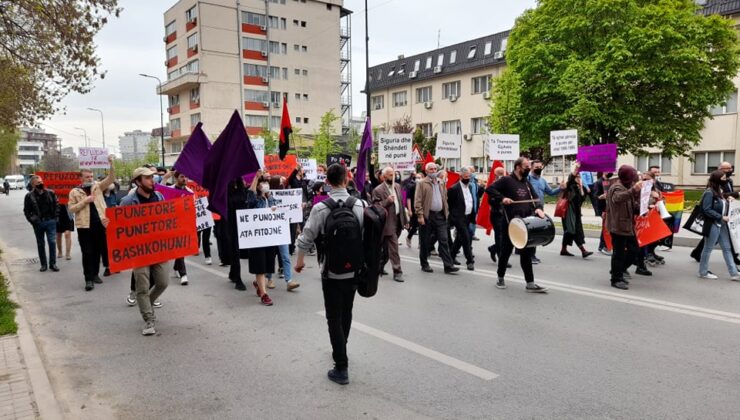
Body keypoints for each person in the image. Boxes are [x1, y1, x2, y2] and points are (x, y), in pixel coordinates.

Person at [295, 163, 366, 385]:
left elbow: (306, 237)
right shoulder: (361, 205)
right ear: (346, 180)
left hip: (330, 271)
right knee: (347, 311)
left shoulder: (320, 208)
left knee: (333, 316)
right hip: (354, 270)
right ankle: (341, 345)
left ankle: (341, 366)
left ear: (327, 182)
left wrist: (299, 262)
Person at [486, 157, 548, 292]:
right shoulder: (507, 180)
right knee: (505, 251)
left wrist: (538, 208)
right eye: (526, 166)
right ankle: (500, 277)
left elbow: (535, 198)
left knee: (526, 252)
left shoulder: (526, 182)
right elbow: (490, 189)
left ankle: (530, 283)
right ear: (518, 167)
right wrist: (503, 198)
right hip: (510, 223)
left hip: (525, 223)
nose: (529, 169)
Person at [120, 167, 169, 335]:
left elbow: (168, 218)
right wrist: (108, 223)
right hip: (139, 250)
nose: (152, 181)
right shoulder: (128, 201)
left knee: (162, 282)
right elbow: (120, 226)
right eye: (147, 178)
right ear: (138, 182)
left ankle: (145, 303)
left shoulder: (160, 197)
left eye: (152, 177)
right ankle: (149, 320)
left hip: (159, 247)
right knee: (142, 286)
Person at [68, 156, 115, 291]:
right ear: (81, 178)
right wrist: (85, 201)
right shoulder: (75, 192)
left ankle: (95, 274)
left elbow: (111, 179)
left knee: (97, 252)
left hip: (100, 224)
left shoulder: (97, 187)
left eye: (91, 176)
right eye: (87, 177)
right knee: (87, 253)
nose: (90, 178)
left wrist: (111, 164)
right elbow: (71, 209)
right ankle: (88, 279)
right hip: (84, 227)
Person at [690, 161, 740, 263]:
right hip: (717, 213)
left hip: (727, 210)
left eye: (731, 168)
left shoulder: (729, 180)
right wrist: (736, 194)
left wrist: (731, 197)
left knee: (715, 236)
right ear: (720, 170)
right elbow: (718, 196)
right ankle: (734, 258)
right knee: (722, 235)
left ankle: (696, 252)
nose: (730, 170)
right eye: (728, 169)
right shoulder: (714, 183)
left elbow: (726, 194)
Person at [414, 162, 459, 274]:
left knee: (444, 240)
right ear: (426, 171)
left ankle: (448, 266)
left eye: (435, 169)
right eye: (431, 169)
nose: (433, 171)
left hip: (440, 216)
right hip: (427, 215)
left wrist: (446, 212)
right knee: (425, 241)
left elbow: (444, 198)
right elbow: (418, 200)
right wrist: (420, 215)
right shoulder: (422, 183)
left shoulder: (441, 182)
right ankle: (424, 264)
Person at [697, 170, 740, 280]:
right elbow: (706, 209)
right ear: (717, 179)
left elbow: (721, 204)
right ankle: (703, 272)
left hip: (722, 224)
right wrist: (720, 217)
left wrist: (728, 199)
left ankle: (734, 273)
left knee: (727, 248)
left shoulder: (719, 191)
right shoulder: (709, 192)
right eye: (724, 178)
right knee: (708, 248)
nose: (726, 180)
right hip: (713, 224)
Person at [606, 165, 643, 290]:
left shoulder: (626, 187)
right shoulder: (616, 187)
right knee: (619, 253)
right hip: (618, 226)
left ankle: (618, 270)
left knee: (634, 250)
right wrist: (634, 190)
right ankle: (616, 279)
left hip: (627, 225)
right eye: (632, 177)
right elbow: (617, 198)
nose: (634, 180)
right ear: (627, 177)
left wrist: (641, 208)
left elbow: (631, 205)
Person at [246, 172, 278, 306]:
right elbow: (250, 198)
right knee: (260, 265)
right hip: (257, 237)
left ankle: (259, 285)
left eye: (266, 182)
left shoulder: (270, 198)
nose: (266, 185)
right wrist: (256, 178)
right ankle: (264, 294)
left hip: (269, 237)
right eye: (263, 183)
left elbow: (277, 210)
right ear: (258, 186)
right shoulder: (255, 199)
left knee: (267, 264)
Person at [371, 166, 408, 282]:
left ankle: (379, 266)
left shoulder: (397, 186)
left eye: (394, 174)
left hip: (398, 220)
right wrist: (387, 201)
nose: (394, 177)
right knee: (394, 248)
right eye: (391, 175)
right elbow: (376, 207)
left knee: (387, 249)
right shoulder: (378, 190)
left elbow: (401, 205)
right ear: (384, 176)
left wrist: (405, 220)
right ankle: (397, 271)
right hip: (387, 223)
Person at [528, 160, 563, 264]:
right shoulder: (527, 179)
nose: (538, 168)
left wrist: (560, 188)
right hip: (529, 209)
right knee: (532, 232)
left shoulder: (542, 181)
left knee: (535, 231)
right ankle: (531, 256)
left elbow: (551, 192)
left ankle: (526, 252)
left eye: (540, 167)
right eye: (536, 167)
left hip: (540, 209)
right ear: (531, 168)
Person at [23, 175, 59, 272]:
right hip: (38, 223)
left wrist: (55, 218)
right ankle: (43, 264)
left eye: (41, 181)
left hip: (50, 221)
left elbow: (57, 205)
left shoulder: (50, 193)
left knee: (52, 242)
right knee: (40, 244)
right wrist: (32, 221)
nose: (41, 183)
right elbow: (26, 211)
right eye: (38, 182)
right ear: (33, 184)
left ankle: (53, 264)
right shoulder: (29, 196)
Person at [161, 170, 191, 285]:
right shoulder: (171, 189)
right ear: (176, 178)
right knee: (179, 247)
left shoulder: (189, 192)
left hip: (183, 224)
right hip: (171, 224)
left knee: (180, 247)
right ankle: (183, 274)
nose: (185, 179)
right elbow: (159, 191)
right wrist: (165, 178)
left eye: (187, 177)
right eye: (183, 176)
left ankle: (177, 268)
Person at [560, 162, 593, 258]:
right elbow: (571, 177)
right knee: (573, 230)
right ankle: (583, 250)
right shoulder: (570, 185)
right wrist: (576, 168)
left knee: (570, 230)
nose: (579, 178)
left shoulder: (579, 188)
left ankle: (563, 249)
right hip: (569, 211)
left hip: (576, 212)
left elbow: (582, 199)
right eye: (577, 177)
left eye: (580, 177)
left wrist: (582, 188)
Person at [447, 167, 476, 271]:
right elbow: (449, 204)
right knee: (466, 237)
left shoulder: (471, 187)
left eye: (469, 176)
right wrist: (454, 217)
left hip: (468, 216)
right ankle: (470, 261)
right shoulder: (453, 188)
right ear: (461, 177)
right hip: (459, 218)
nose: (468, 178)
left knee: (459, 239)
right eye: (466, 177)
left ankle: (451, 256)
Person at [487, 166, 510, 268]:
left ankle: (493, 248)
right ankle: (501, 257)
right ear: (495, 175)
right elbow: (490, 201)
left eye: (502, 174)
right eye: (499, 174)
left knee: (506, 236)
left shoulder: (508, 185)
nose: (501, 176)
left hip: (507, 214)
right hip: (497, 213)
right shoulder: (493, 187)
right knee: (499, 235)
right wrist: (501, 198)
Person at [593, 172, 613, 255]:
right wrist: (601, 197)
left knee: (608, 227)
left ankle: (605, 245)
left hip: (610, 208)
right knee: (605, 228)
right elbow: (595, 196)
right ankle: (602, 246)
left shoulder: (611, 181)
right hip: (603, 208)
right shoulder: (598, 182)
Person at [404, 172, 422, 248]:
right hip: (414, 209)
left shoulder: (424, 187)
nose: (418, 179)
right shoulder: (412, 187)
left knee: (422, 226)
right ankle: (409, 237)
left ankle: (420, 243)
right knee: (415, 226)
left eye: (420, 177)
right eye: (417, 177)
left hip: (422, 209)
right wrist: (410, 210)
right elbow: (408, 199)